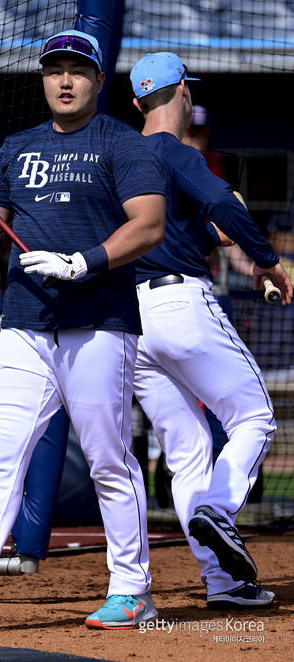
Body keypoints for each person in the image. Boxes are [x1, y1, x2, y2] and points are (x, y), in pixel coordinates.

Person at [0, 29, 167, 631]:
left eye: (78, 70)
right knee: (1, 454)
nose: (65, 81)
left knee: (107, 459)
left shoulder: (123, 145)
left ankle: (134, 590)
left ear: (99, 81)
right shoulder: (19, 148)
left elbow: (149, 226)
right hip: (26, 323)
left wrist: (84, 262)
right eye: (55, 71)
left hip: (98, 322)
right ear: (43, 79)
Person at [129, 51, 292, 610]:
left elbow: (161, 226)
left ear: (134, 103)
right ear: (183, 94)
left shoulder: (117, 154)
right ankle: (218, 512)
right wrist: (267, 260)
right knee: (255, 418)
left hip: (130, 320)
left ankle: (225, 584)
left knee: (188, 449)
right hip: (182, 305)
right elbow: (224, 197)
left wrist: (205, 233)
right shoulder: (176, 151)